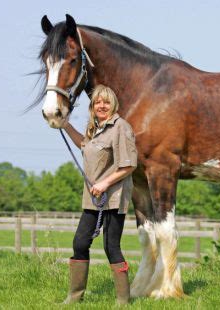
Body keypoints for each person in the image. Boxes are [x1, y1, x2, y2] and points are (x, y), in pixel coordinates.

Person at [61, 85, 137, 305]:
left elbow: (129, 165)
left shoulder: (121, 127)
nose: (101, 106)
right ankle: (75, 296)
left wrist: (104, 183)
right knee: (80, 243)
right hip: (93, 199)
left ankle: (123, 300)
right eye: (97, 102)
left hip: (113, 197)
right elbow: (84, 146)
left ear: (113, 105)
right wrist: (65, 125)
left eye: (106, 102)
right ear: (92, 107)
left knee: (111, 246)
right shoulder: (95, 129)